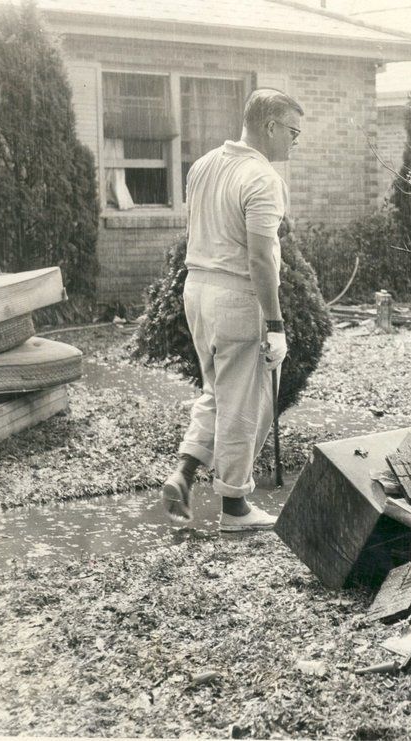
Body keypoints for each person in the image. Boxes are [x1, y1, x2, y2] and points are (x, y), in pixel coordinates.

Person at [161, 88, 303, 531]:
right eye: (293, 132)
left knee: (216, 390)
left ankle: (183, 473)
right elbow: (261, 258)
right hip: (238, 297)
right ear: (271, 126)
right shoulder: (262, 178)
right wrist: (276, 326)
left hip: (197, 290)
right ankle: (235, 508)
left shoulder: (202, 165)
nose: (295, 142)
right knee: (245, 400)